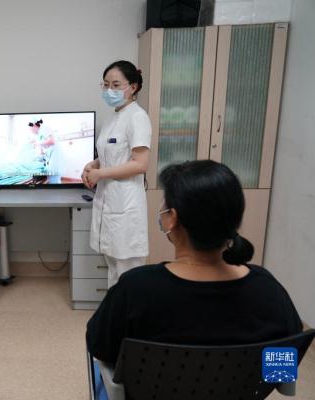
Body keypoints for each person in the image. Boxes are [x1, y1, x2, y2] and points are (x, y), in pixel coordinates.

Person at [86, 160, 303, 365]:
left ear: (172, 218)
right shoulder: (268, 290)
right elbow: (283, 373)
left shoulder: (135, 288)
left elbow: (100, 349)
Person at [83, 60, 152, 287]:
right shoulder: (113, 117)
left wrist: (100, 174)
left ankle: (129, 320)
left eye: (115, 85)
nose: (109, 90)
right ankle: (116, 316)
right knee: (113, 266)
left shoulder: (137, 117)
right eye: (105, 85)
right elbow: (110, 154)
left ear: (133, 87)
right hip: (109, 200)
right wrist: (93, 164)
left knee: (128, 271)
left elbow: (140, 164)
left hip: (126, 202)